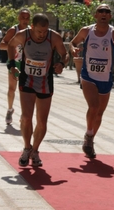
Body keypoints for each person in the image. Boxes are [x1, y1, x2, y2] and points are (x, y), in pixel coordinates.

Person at [69, 4, 114, 159]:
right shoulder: (86, 31)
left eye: (107, 11)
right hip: (88, 75)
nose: (104, 14)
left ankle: (90, 137)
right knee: (94, 106)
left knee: (99, 113)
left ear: (110, 16)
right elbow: (73, 43)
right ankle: (89, 137)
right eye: (101, 11)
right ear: (95, 15)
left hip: (106, 78)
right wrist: (73, 50)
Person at [7, 13, 68, 167]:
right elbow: (10, 45)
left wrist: (61, 63)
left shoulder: (53, 37)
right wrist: (12, 65)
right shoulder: (23, 35)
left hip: (45, 82)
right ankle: (27, 148)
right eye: (39, 31)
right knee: (26, 117)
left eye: (45, 31)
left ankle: (35, 150)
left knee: (42, 121)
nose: (42, 35)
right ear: (32, 27)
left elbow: (64, 54)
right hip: (27, 80)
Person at [0, 8, 31, 125]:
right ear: (18, 18)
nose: (25, 20)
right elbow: (1, 45)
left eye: (27, 18)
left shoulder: (31, 31)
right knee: (12, 88)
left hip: (27, 63)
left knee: (26, 90)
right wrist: (13, 45)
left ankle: (24, 114)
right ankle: (10, 109)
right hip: (14, 62)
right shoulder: (14, 30)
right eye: (23, 17)